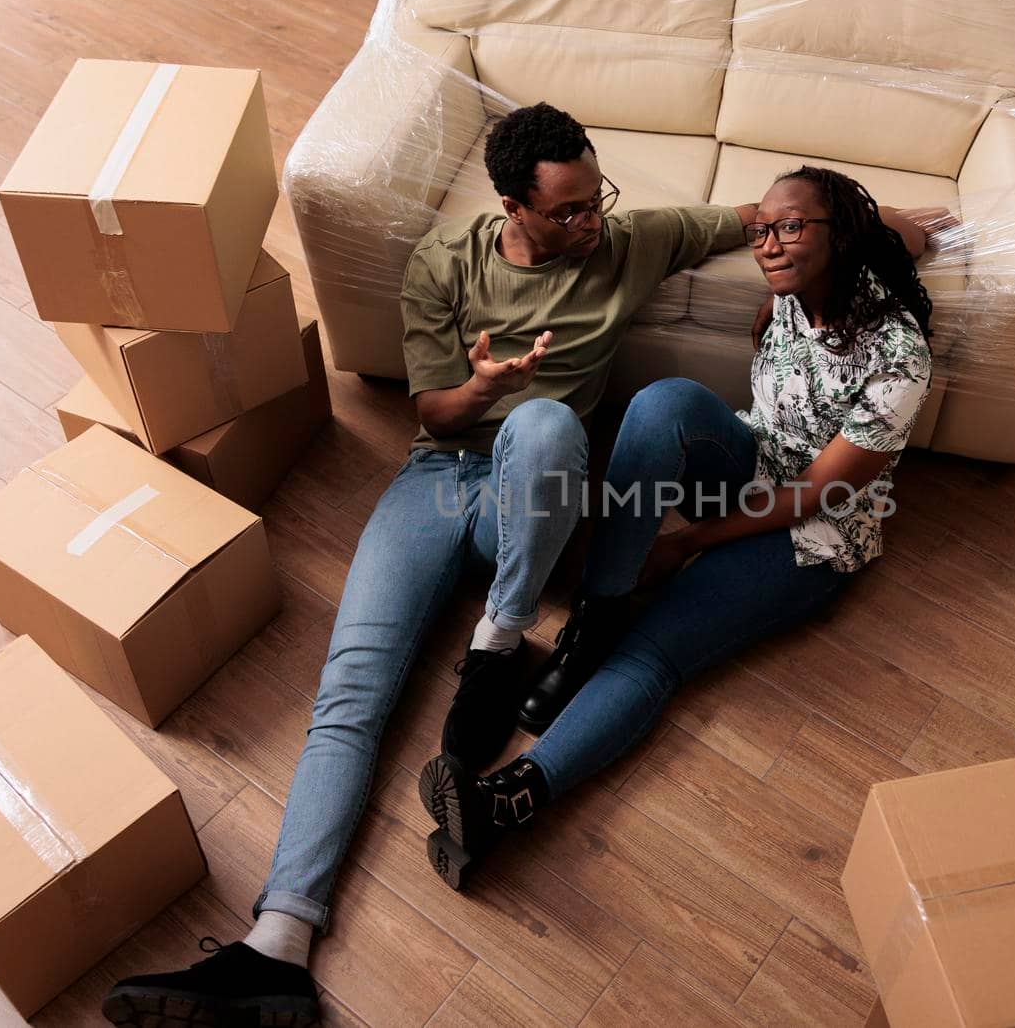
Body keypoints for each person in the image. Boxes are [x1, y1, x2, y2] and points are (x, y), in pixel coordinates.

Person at [101, 101, 765, 1028]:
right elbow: (433, 417)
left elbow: (756, 215)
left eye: (595, 200)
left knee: (542, 421)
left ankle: (499, 639)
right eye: (568, 210)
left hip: (527, 499)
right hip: (439, 475)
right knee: (351, 688)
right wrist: (479, 386)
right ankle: (278, 945)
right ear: (512, 206)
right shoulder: (443, 263)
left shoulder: (628, 242)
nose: (591, 222)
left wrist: (869, 222)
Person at [417, 165, 939, 891]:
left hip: (813, 533)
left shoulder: (898, 356)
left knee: (655, 652)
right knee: (662, 403)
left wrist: (686, 542)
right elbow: (896, 230)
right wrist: (916, 226)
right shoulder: (796, 287)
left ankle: (506, 801)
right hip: (754, 456)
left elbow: (818, 494)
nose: (769, 246)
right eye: (763, 230)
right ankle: (592, 623)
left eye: (789, 228)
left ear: (838, 236)